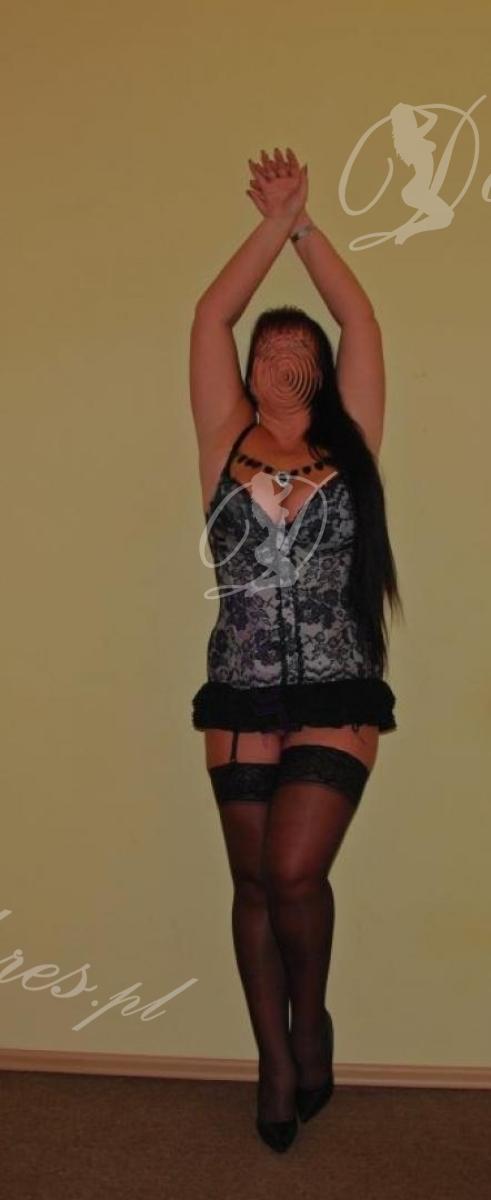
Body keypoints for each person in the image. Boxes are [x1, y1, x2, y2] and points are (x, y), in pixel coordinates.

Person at [189, 147, 404, 1152]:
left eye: (296, 344)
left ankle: (308, 1021)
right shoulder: (223, 440)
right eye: (265, 345)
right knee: (249, 887)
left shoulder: (348, 441)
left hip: (336, 684)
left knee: (289, 874)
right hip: (238, 686)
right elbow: (209, 316)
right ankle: (274, 1062)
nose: (279, 354)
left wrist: (304, 228)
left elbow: (360, 321)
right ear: (245, 371)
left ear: (316, 367)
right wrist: (265, 227)